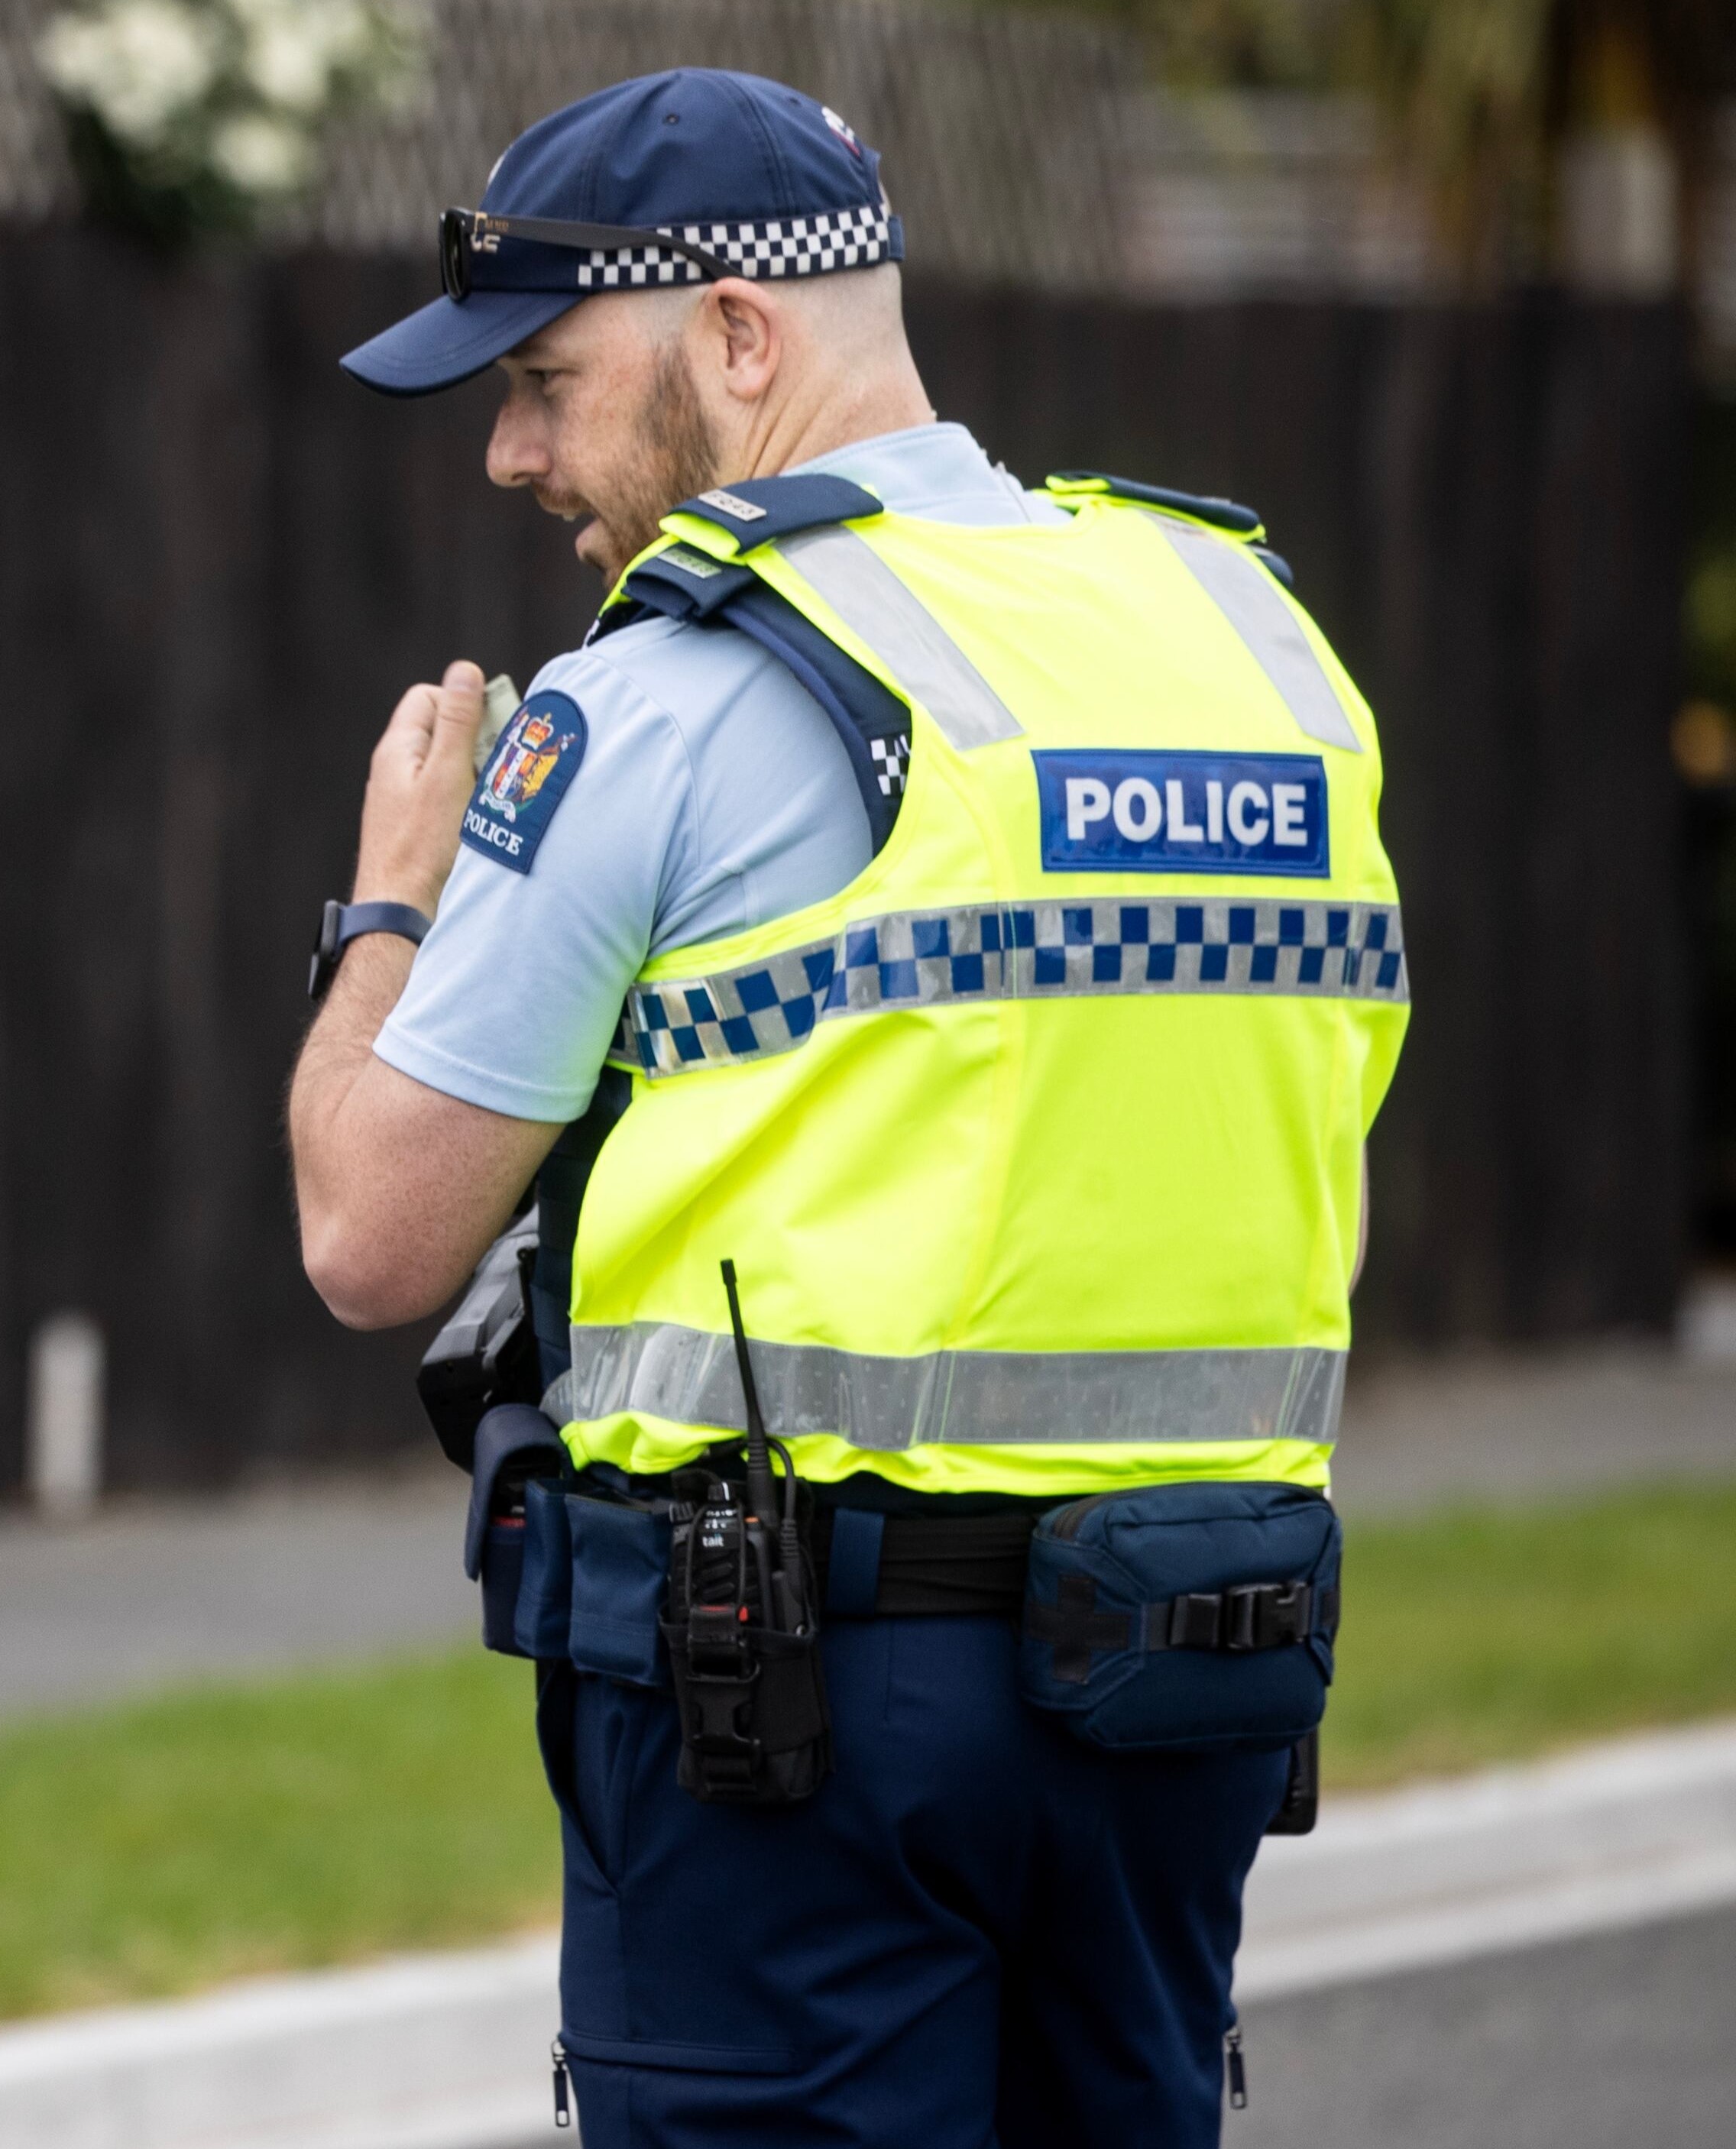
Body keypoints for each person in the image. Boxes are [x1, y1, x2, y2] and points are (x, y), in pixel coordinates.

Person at [284, 70, 1406, 2148]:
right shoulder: (1252, 642)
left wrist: (393, 904)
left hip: (792, 1722)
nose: (517, 452)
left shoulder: (677, 685)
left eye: (544, 380)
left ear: (736, 332)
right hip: (1190, 1675)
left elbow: (373, 1231)